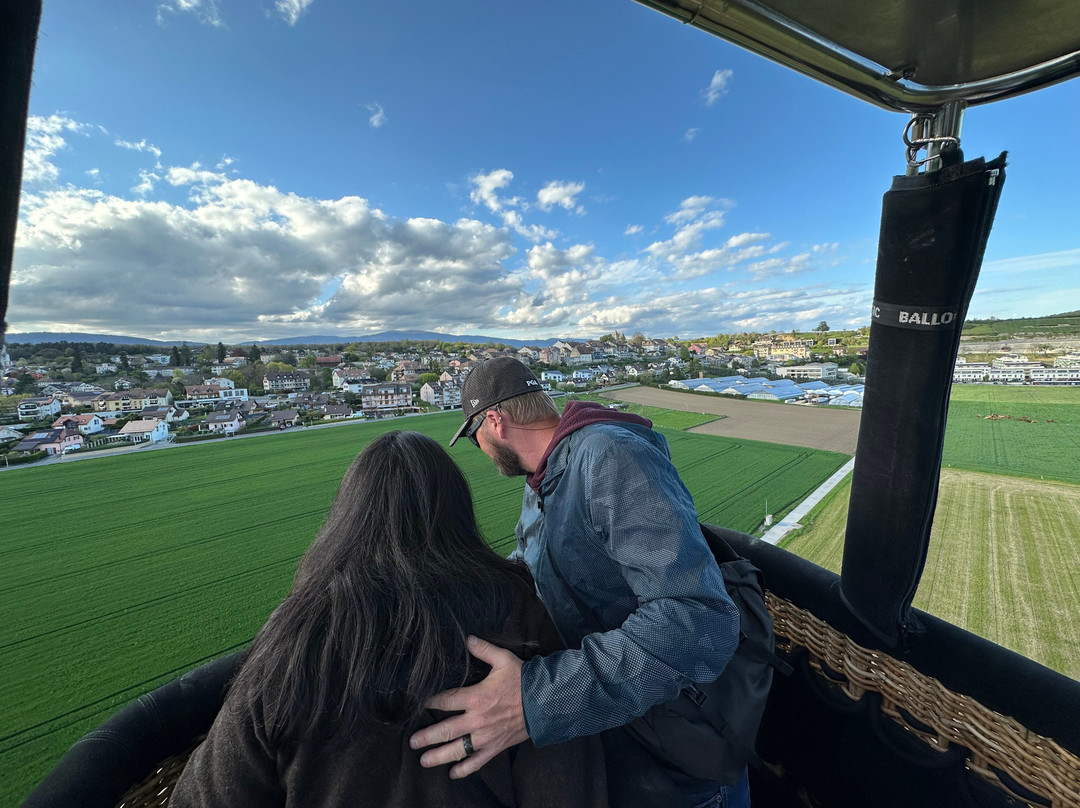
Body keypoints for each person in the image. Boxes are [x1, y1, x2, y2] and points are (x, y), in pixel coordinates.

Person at [171, 430, 608, 808]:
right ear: (456, 513)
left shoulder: (295, 633)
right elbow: (568, 781)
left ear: (346, 520)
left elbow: (208, 794)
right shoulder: (519, 611)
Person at [409, 358, 747, 808]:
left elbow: (697, 620)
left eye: (474, 437)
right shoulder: (545, 481)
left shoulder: (608, 457)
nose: (482, 450)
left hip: (675, 756)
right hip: (617, 733)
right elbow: (527, 571)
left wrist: (533, 703)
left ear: (496, 421)